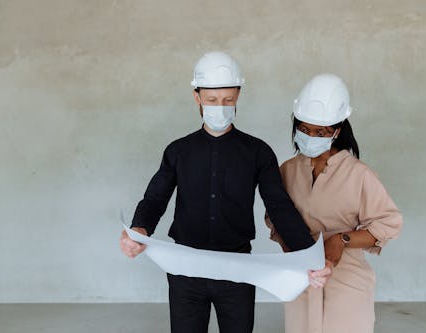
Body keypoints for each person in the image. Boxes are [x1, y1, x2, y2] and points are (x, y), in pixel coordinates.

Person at [119, 52, 333, 333]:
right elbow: (155, 198)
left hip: (237, 268)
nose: (220, 107)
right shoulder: (178, 151)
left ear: (238, 97)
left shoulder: (258, 152)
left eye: (228, 100)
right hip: (186, 269)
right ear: (197, 98)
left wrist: (308, 256)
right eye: (212, 100)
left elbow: (279, 207)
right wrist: (139, 229)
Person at [265, 73, 403, 333]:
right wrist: (294, 254)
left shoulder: (358, 174)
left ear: (337, 130)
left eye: (321, 132)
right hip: (300, 277)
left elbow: (389, 224)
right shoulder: (287, 171)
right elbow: (275, 218)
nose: (310, 136)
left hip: (346, 280)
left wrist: (341, 240)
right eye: (304, 129)